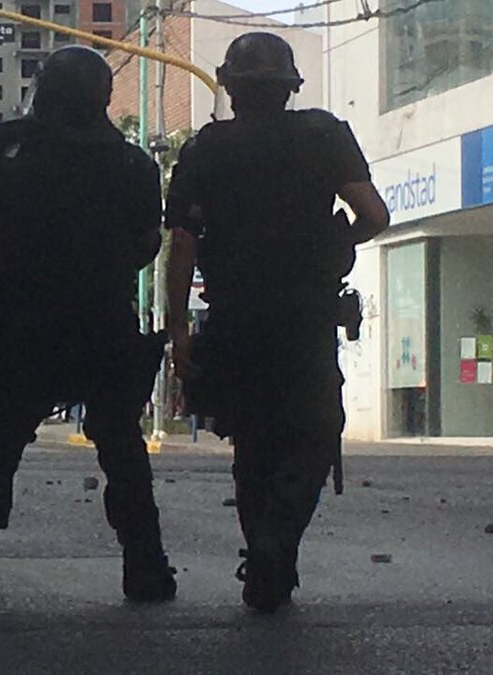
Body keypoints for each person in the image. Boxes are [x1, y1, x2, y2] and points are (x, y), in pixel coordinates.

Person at [0, 45, 174, 603]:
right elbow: (144, 245)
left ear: (43, 90)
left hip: (24, 333)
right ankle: (147, 568)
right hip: (103, 329)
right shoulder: (132, 164)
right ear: (104, 97)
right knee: (122, 449)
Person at [164, 33, 390, 612]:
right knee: (313, 431)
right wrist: (332, 243)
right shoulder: (322, 135)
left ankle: (265, 555)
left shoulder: (205, 149)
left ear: (231, 88)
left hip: (235, 316)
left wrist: (178, 331)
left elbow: (182, 245)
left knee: (253, 442)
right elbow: (374, 214)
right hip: (305, 317)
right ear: (290, 87)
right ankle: (275, 547)